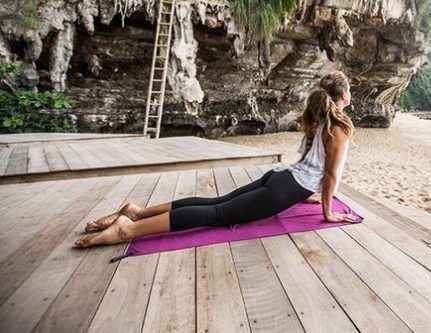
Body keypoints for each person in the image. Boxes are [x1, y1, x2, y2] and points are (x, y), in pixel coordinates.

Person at [74, 70, 359, 248]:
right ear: (343, 94)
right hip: (288, 186)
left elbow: (313, 164)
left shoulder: (322, 119)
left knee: (215, 203)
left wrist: (306, 194)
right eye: (350, 90)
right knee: (218, 215)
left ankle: (138, 212)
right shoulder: (340, 126)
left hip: (282, 177)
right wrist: (327, 213)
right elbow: (330, 175)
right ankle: (130, 229)